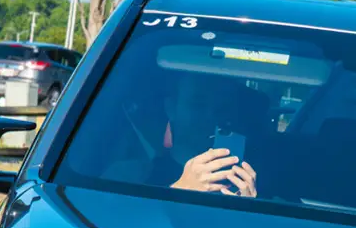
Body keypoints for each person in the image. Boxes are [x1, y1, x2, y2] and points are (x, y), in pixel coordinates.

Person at [105, 69, 260, 196]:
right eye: (198, 104)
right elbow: (106, 222)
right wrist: (180, 190)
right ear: (171, 108)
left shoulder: (256, 184)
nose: (211, 116)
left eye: (223, 108)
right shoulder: (129, 177)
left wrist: (245, 212)